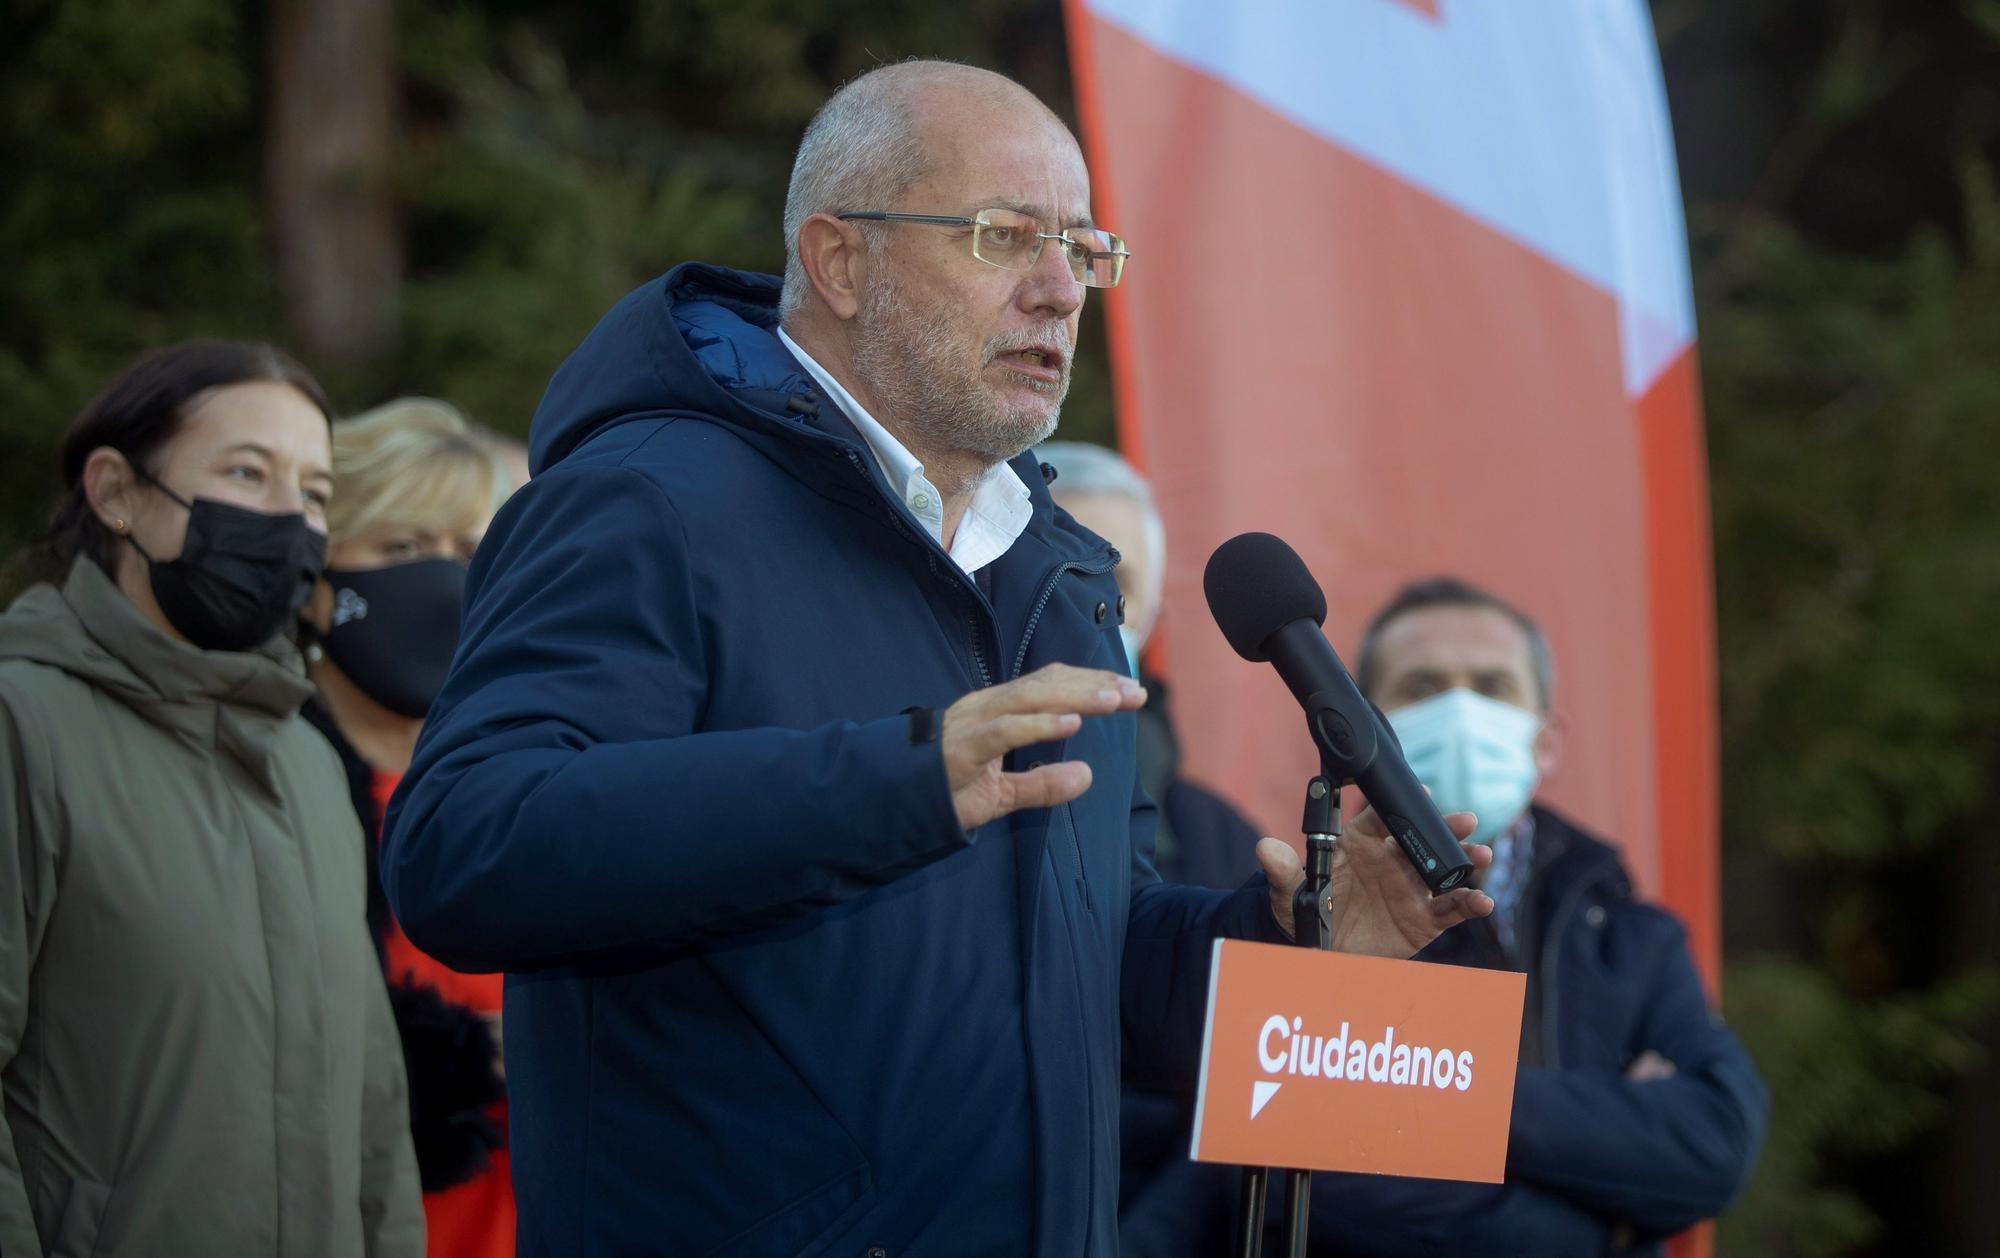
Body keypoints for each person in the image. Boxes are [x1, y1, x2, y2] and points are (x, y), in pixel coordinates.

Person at [381, 61, 1493, 1256]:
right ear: (840, 261)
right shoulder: (644, 500)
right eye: (1004, 236)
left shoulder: (1059, 570)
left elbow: (1091, 962)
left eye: (1082, 247)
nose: (1061, 290)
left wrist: (1294, 943)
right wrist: (892, 783)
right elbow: (464, 846)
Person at [1120, 576, 1770, 1257]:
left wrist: (1417, 1092)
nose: (1462, 710)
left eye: (1492, 687)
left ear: (1546, 740)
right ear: (1362, 727)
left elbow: (1715, 1143)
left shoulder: (1637, 939)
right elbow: (1311, 1180)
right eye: (1424, 687)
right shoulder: (1305, 916)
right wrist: (1609, 1215)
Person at [0, 340, 424, 1257]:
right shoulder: (20, 724)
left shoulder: (308, 760)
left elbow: (375, 1112)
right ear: (115, 492)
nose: (288, 520)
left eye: (313, 493)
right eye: (246, 472)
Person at [299, 398, 514, 1258]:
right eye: (401, 548)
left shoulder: (539, 789)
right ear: (315, 585)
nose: (439, 581)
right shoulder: (256, 799)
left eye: (468, 554)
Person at [1037, 439, 1261, 888]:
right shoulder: (931, 793)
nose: (1086, 604)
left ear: (1153, 619)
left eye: (1113, 582)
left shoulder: (1222, 848)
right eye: (1053, 573)